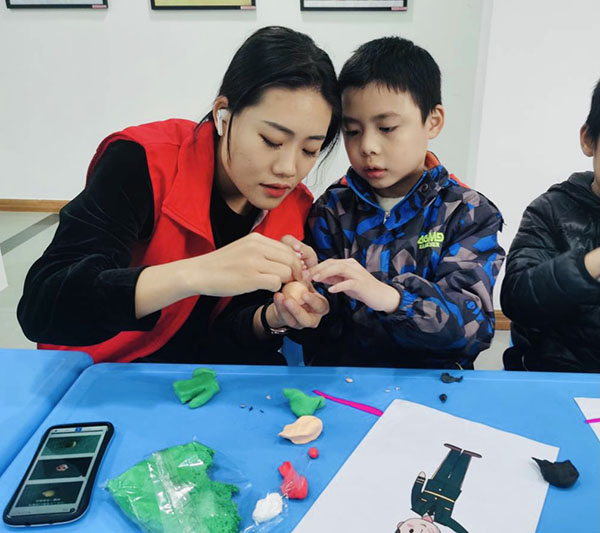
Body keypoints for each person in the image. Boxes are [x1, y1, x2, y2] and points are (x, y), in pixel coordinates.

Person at [17, 26, 340, 364]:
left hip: (189, 378)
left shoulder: (294, 208)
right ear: (223, 115)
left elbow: (221, 337)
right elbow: (44, 306)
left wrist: (274, 317)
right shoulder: (143, 162)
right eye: (271, 141)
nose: (288, 168)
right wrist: (194, 274)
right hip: (95, 371)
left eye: (310, 149)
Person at [294, 36, 505, 369]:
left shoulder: (467, 212)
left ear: (433, 121)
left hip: (434, 386)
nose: (368, 146)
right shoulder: (331, 209)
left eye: (387, 127)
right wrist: (306, 293)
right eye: (352, 131)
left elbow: (471, 329)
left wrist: (392, 299)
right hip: (344, 385)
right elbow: (322, 333)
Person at [501, 78, 600, 372]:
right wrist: (590, 264)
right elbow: (517, 299)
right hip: (556, 378)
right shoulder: (551, 210)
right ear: (589, 140)